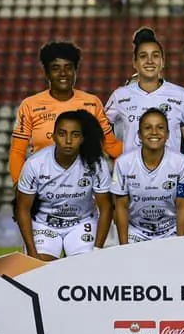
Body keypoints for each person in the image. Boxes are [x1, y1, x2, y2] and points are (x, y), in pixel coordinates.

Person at [10, 41, 123, 187]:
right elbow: (17, 151)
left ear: (75, 71)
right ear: (47, 73)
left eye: (68, 67)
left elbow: (112, 147)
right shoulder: (30, 105)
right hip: (44, 187)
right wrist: (19, 185)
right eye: (56, 68)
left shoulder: (92, 103)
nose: (63, 73)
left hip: (85, 189)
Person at [14, 110, 114, 261]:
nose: (68, 140)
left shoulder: (96, 163)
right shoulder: (35, 164)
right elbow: (22, 209)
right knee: (40, 266)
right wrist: (32, 254)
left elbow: (106, 207)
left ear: (82, 138)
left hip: (82, 223)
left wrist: (97, 249)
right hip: (44, 224)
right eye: (62, 134)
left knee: (83, 266)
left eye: (75, 135)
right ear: (53, 136)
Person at [105, 27, 184, 154]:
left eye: (155, 56)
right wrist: (114, 151)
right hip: (132, 171)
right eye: (143, 56)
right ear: (134, 62)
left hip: (170, 171)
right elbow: (101, 125)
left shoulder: (180, 95)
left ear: (162, 61)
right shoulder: (120, 95)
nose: (150, 61)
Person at [110, 109, 184, 244]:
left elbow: (181, 206)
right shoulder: (123, 163)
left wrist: (180, 244)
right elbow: (121, 207)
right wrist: (124, 246)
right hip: (135, 232)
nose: (154, 132)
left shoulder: (181, 163)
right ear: (139, 135)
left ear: (167, 134)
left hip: (171, 231)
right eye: (148, 128)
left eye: (160, 128)